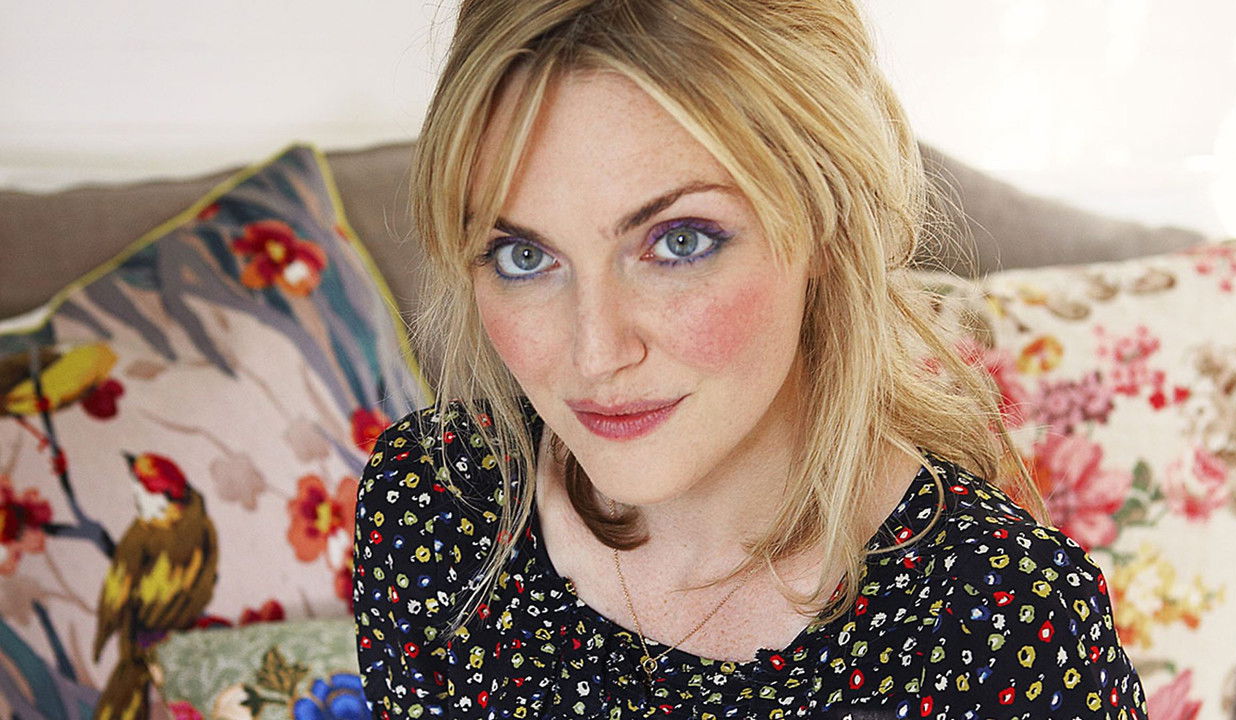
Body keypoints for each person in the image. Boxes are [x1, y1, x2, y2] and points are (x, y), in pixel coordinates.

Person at [352, 1, 1148, 718]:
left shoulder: (1000, 624)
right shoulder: (438, 504)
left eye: (679, 243)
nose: (595, 353)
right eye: (524, 256)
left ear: (828, 219)